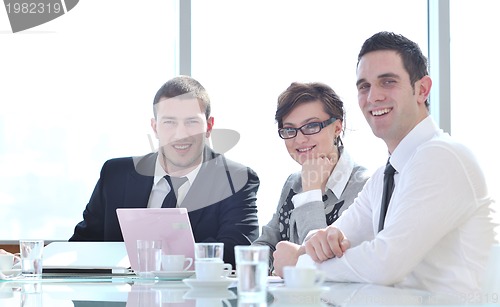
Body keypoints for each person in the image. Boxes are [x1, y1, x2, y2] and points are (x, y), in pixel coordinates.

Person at [274, 31, 497, 295]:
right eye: (364, 86)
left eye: (387, 82)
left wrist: (300, 265)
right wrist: (316, 245)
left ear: (422, 89)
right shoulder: (385, 176)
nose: (373, 97)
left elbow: (385, 263)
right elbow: (329, 238)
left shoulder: (442, 157)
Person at [70, 75, 260, 267]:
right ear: (155, 127)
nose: (181, 134)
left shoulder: (236, 179)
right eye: (169, 122)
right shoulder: (115, 175)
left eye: (191, 122)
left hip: (198, 295)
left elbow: (237, 253)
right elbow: (83, 245)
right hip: (120, 294)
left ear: (209, 126)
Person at [252, 82, 369, 275]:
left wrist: (311, 191)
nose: (299, 139)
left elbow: (320, 264)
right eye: (290, 129)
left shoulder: (364, 186)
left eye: (312, 126)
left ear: (337, 127)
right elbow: (265, 245)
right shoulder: (293, 182)